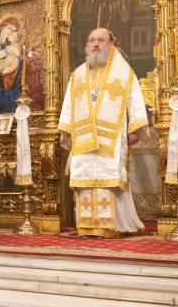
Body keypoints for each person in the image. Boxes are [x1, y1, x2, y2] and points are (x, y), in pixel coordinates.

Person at [57, 28, 148, 237]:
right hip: (83, 138)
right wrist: (67, 131)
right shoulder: (77, 75)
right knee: (85, 177)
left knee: (109, 177)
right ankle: (87, 225)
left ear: (110, 44)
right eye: (92, 40)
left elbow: (135, 100)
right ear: (87, 45)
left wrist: (136, 130)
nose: (96, 44)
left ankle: (112, 226)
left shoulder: (124, 73)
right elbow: (68, 105)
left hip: (111, 140)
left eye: (101, 40)